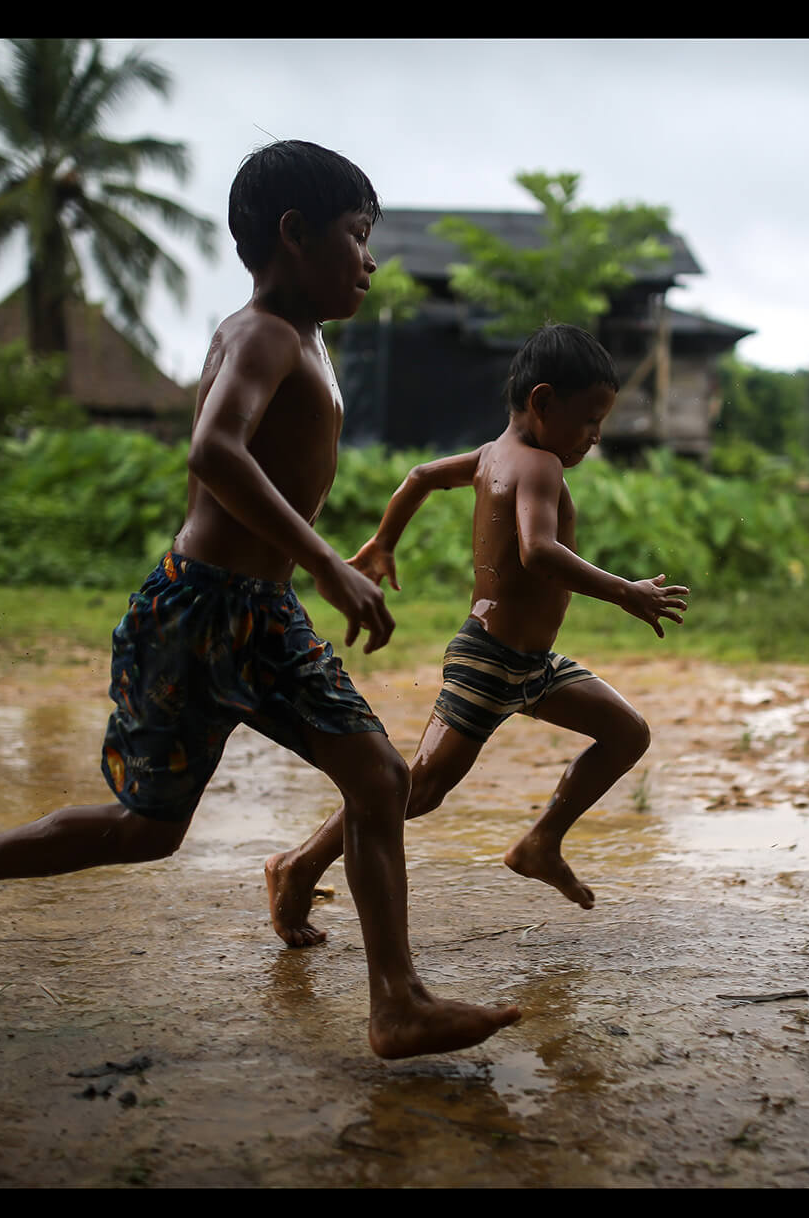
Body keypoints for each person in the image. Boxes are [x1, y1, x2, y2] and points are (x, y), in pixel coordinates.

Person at [0, 140, 521, 1060]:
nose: (371, 258)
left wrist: (321, 565)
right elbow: (215, 451)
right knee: (148, 830)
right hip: (199, 611)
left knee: (379, 776)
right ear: (293, 235)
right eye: (357, 234)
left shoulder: (307, 338)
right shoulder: (262, 331)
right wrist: (324, 562)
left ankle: (397, 1002)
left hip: (263, 616)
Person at [265, 323, 690, 948]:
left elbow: (417, 476)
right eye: (589, 419)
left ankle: (541, 840)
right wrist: (625, 590)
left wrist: (385, 540)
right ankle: (298, 866)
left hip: (531, 664)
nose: (596, 437)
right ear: (543, 403)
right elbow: (539, 551)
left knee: (627, 731)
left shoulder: (496, 453)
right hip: (491, 661)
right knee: (417, 789)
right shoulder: (540, 464)